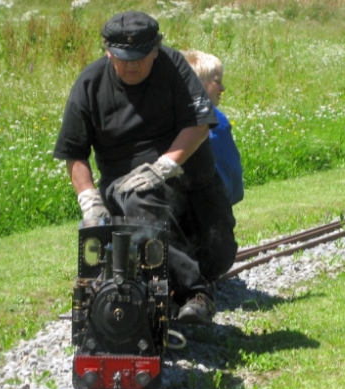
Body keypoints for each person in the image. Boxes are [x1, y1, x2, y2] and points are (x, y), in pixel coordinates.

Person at [53, 11, 237, 324]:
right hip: (127, 185)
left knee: (218, 257)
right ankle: (195, 293)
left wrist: (164, 165)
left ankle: (193, 273)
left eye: (140, 57)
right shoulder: (89, 84)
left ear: (155, 49)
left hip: (191, 180)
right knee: (140, 198)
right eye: (123, 58)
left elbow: (201, 125)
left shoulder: (175, 68)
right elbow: (74, 152)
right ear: (109, 52)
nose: (132, 65)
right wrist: (89, 198)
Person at [182, 50, 244, 206]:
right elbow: (229, 170)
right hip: (215, 202)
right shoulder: (215, 119)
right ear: (197, 82)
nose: (223, 88)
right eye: (217, 81)